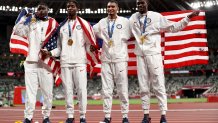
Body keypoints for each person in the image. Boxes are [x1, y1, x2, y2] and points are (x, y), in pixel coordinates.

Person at [129, 0, 200, 123]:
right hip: (140, 56)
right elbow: (122, 32)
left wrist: (188, 18)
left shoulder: (156, 17)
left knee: (159, 85)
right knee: (143, 87)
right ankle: (146, 116)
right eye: (138, 3)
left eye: (142, 3)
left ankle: (163, 115)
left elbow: (173, 27)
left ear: (147, 4)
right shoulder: (133, 18)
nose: (140, 5)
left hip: (154, 55)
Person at [42, 0, 98, 123]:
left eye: (72, 6)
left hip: (80, 62)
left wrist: (91, 48)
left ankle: (82, 116)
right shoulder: (61, 26)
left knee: (82, 90)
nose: (70, 8)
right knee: (68, 91)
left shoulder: (84, 24)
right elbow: (59, 48)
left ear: (77, 8)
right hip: (65, 62)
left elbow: (88, 44)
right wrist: (50, 53)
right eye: (68, 7)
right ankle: (70, 116)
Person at [13, 3, 58, 123]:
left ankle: (46, 117)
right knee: (30, 92)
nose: (41, 11)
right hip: (31, 61)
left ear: (48, 10)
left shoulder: (53, 24)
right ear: (36, 11)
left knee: (47, 92)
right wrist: (24, 17)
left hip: (46, 63)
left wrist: (51, 53)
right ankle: (28, 117)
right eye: (39, 9)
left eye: (44, 9)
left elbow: (60, 44)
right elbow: (17, 31)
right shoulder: (31, 21)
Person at [93, 0, 131, 123]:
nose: (110, 9)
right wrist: (93, 45)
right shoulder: (101, 23)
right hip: (105, 60)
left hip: (120, 59)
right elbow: (91, 32)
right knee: (106, 90)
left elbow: (133, 33)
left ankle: (125, 116)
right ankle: (107, 117)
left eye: (113, 7)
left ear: (117, 8)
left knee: (122, 89)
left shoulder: (125, 22)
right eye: (108, 7)